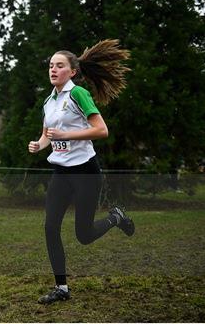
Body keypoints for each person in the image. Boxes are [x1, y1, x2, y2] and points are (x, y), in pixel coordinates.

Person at [28, 39, 135, 304]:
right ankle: (61, 288)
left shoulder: (78, 94)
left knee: (83, 235)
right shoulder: (48, 102)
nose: (53, 69)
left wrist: (67, 134)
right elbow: (47, 135)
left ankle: (116, 217)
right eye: (51, 65)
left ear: (72, 71)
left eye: (59, 65)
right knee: (50, 227)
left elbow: (102, 130)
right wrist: (39, 144)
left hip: (85, 171)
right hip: (61, 173)